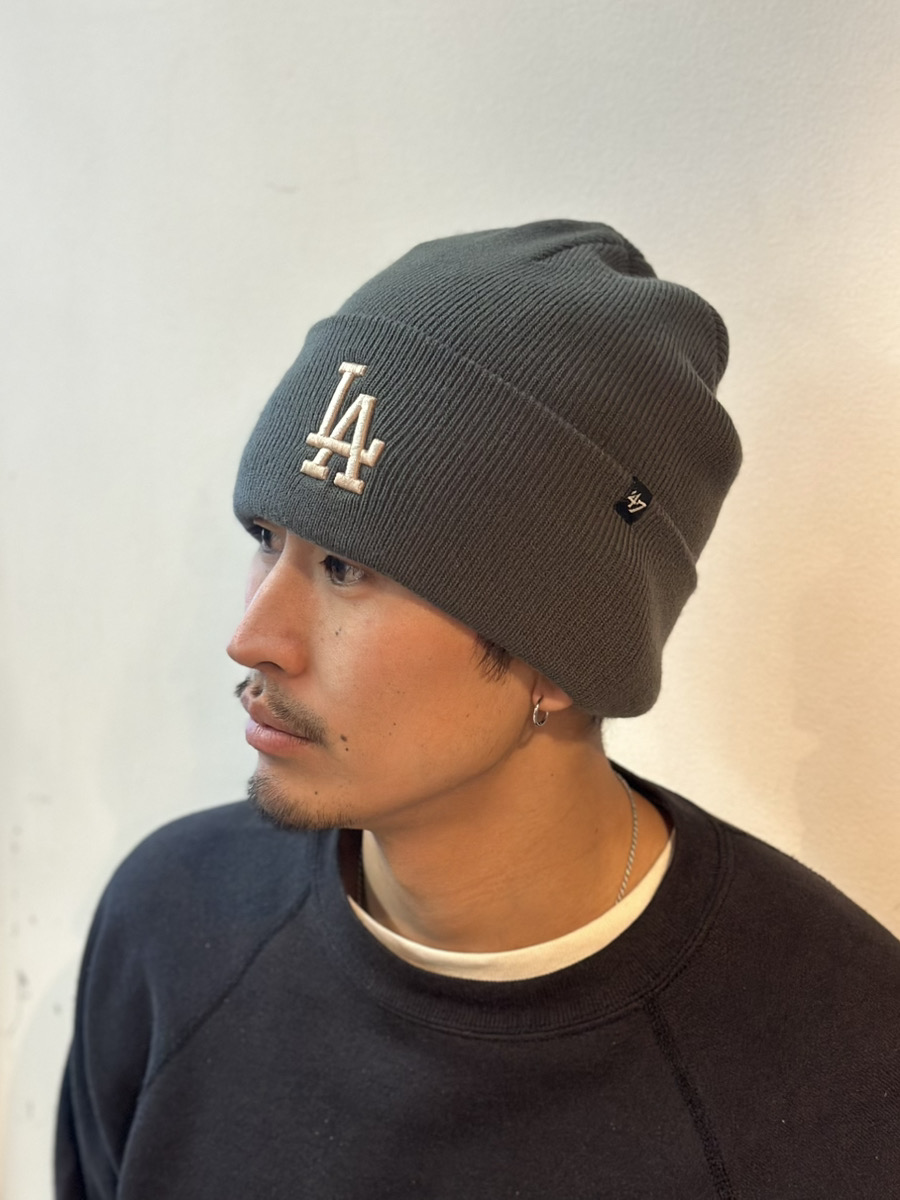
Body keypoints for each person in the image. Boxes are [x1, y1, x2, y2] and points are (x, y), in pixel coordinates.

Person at [56, 221, 900, 1199]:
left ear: (565, 652)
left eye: (345, 566)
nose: (254, 638)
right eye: (266, 538)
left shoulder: (842, 1062)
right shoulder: (171, 923)